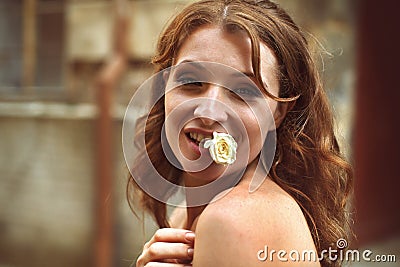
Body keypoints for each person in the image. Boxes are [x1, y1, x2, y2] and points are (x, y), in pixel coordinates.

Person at [126, 0, 353, 266]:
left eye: (244, 91)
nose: (209, 112)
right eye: (191, 82)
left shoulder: (231, 219)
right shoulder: (184, 216)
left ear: (278, 113)